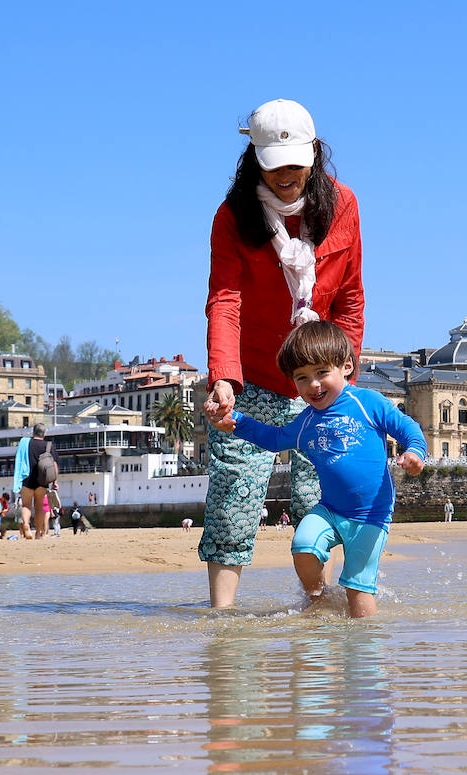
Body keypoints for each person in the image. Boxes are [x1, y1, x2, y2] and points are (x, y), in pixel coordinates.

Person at [200, 98, 366, 610]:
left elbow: (350, 297)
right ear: (255, 158)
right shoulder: (233, 218)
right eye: (276, 164)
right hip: (250, 375)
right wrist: (223, 377)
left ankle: (318, 604)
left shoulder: (343, 207)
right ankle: (222, 619)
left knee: (322, 499)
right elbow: (225, 300)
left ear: (315, 154)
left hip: (319, 379)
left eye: (297, 161)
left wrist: (348, 376)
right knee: (234, 491)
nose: (288, 174)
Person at [210, 320, 426, 618]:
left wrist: (414, 452)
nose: (313, 384)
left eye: (322, 372)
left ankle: (363, 654)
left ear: (346, 367)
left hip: (371, 515)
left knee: (358, 590)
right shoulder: (306, 421)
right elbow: (274, 439)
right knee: (302, 546)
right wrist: (236, 421)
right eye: (301, 377)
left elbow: (408, 429)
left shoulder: (368, 403)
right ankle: (320, 597)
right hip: (330, 509)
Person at [13, 423, 59, 539]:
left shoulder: (25, 443)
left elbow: (19, 459)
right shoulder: (48, 445)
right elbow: (54, 465)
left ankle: (26, 525)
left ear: (33, 432)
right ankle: (38, 533)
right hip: (42, 481)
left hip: (26, 479)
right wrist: (54, 481)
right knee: (39, 507)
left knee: (26, 505)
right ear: (45, 433)